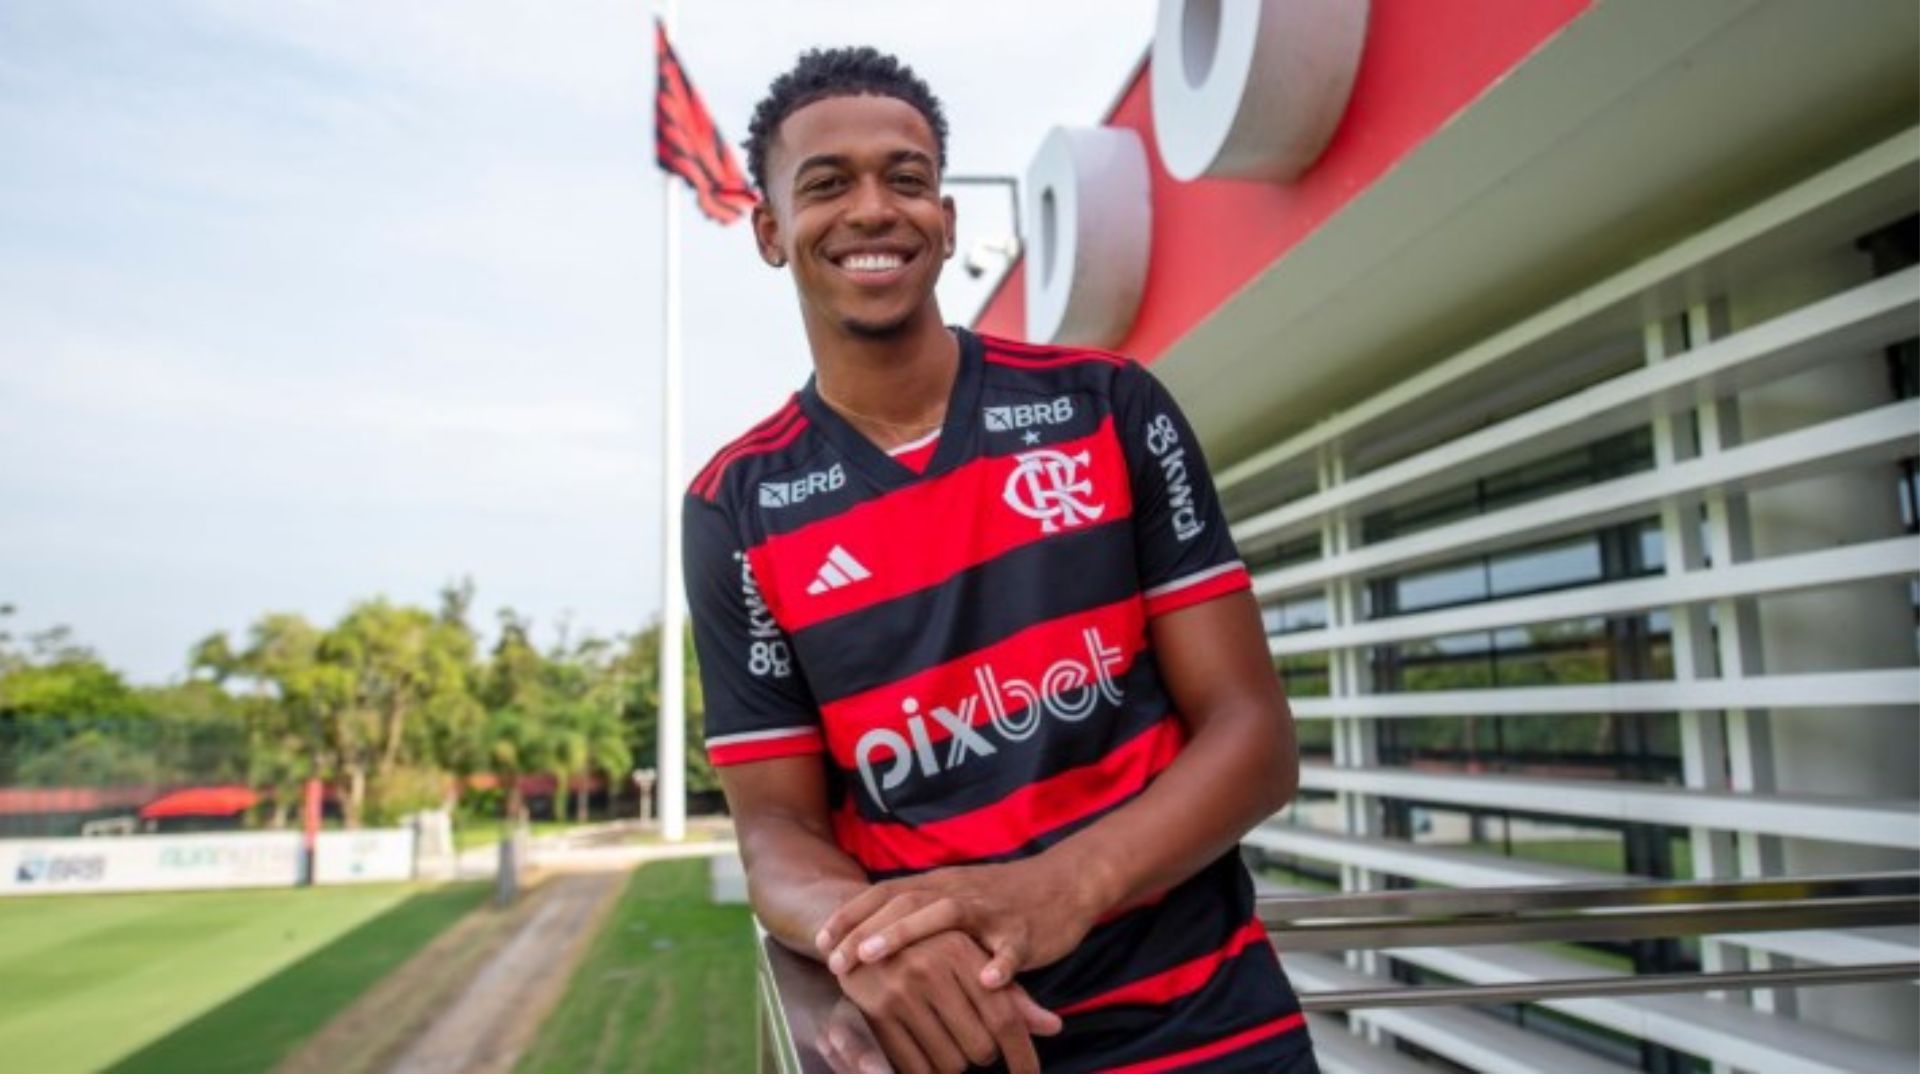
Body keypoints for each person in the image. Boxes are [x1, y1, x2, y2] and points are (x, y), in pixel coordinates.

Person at [683, 45, 1318, 1073]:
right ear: (770, 230)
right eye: (827, 184)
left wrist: (1059, 889)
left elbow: (1254, 737)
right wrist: (867, 937)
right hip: (945, 1043)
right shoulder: (734, 505)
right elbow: (776, 831)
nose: (873, 210)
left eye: (905, 178)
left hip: (1207, 1025)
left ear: (945, 219)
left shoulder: (1108, 406)